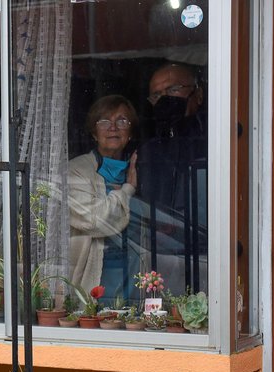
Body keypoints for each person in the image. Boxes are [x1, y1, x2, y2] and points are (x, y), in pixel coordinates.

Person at [135, 62, 207, 297]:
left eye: (174, 89)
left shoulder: (216, 139)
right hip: (161, 253)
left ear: (198, 94)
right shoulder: (148, 150)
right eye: (157, 95)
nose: (165, 99)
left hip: (210, 251)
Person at [68, 95, 140, 303]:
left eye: (122, 121)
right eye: (104, 121)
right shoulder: (77, 171)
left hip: (133, 264)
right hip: (96, 266)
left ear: (130, 132)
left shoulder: (140, 167)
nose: (113, 128)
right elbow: (95, 220)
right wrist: (127, 190)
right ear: (93, 132)